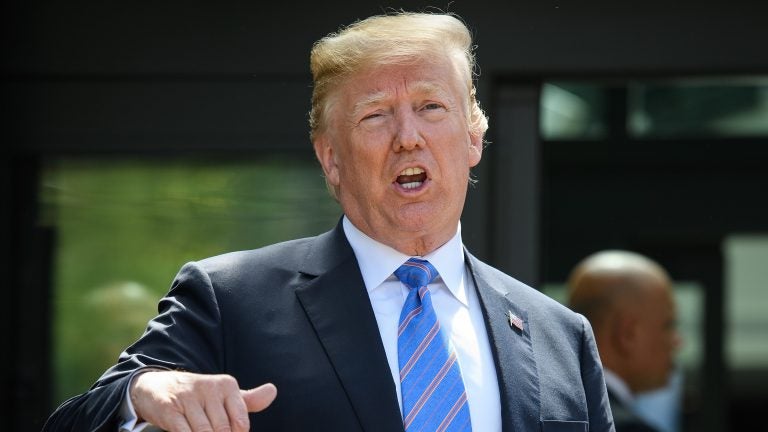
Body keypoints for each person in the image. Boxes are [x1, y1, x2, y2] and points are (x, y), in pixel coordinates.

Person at [44, 12, 614, 432]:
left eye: (431, 107)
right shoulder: (231, 299)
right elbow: (74, 422)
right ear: (331, 159)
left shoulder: (558, 334)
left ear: (473, 137)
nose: (408, 136)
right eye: (376, 116)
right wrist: (144, 392)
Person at [567, 250, 682, 432]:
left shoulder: (538, 410)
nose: (678, 342)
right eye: (668, 325)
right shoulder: (627, 427)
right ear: (627, 334)